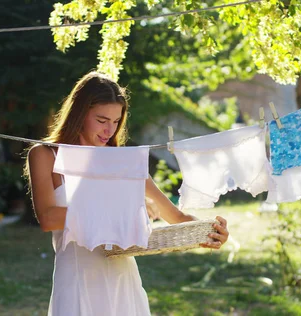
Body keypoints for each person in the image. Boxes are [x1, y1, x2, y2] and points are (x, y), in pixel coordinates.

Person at [24, 71, 229, 315]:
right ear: (80, 113)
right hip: (77, 281)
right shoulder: (45, 155)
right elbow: (48, 218)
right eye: (101, 120)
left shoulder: (124, 162)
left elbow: (177, 218)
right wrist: (123, 209)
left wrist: (209, 232)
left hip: (123, 281)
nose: (109, 130)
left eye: (116, 121)